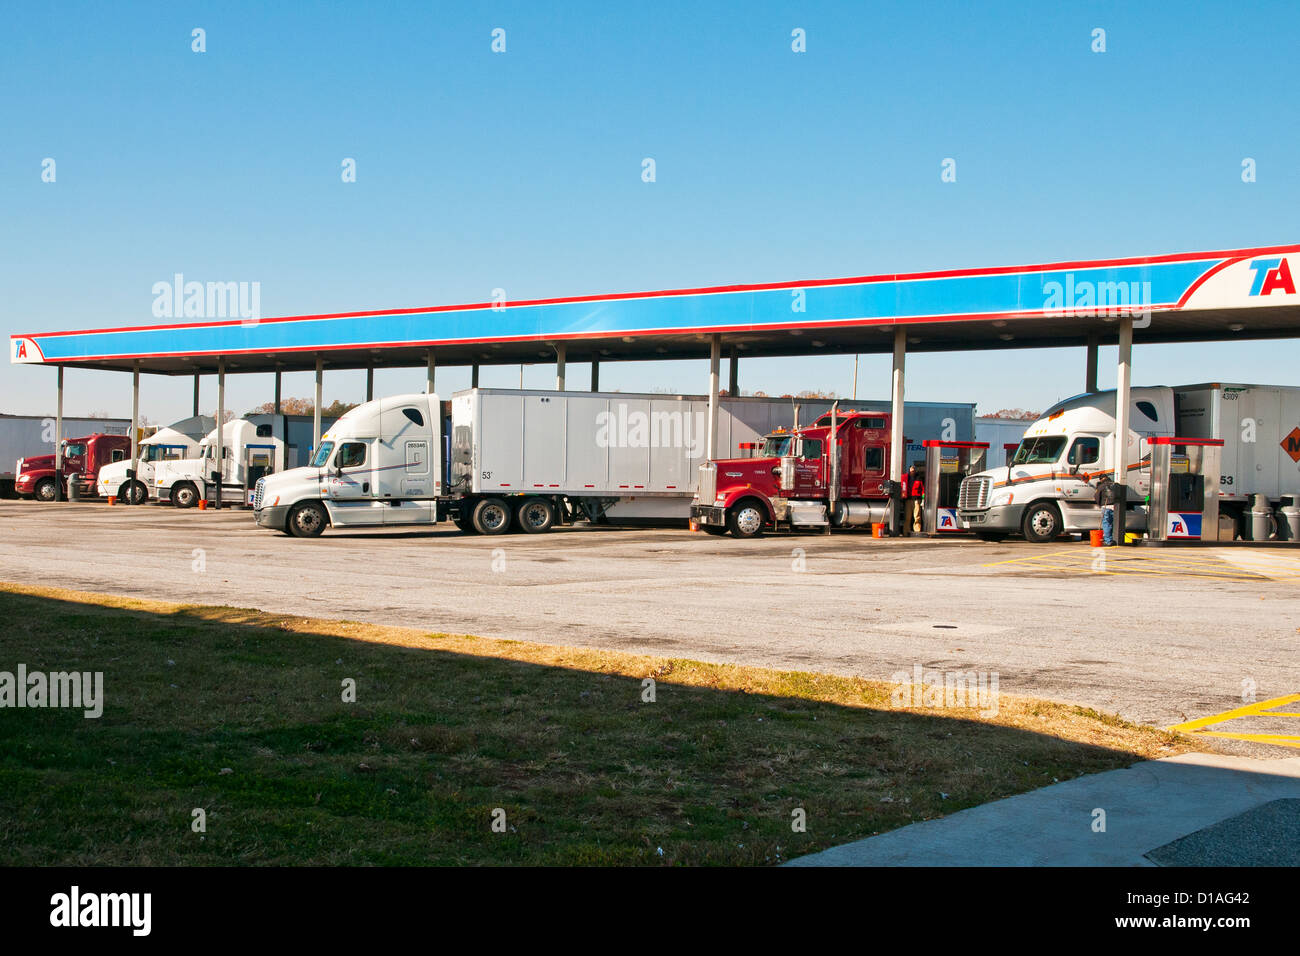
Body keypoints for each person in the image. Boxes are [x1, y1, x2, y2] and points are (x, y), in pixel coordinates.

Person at [1094, 474, 1118, 545]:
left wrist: (1099, 504)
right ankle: (1115, 539)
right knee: (1115, 524)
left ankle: (1108, 541)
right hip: (1115, 506)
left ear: (1101, 479)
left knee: (1106, 523)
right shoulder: (1115, 485)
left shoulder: (1101, 486)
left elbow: (1096, 496)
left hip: (1106, 506)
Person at [907, 465, 925, 535]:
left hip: (916, 500)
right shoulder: (906, 478)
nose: (912, 472)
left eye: (913, 470)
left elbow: (923, 489)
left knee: (917, 516)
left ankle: (917, 531)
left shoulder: (919, 479)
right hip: (908, 499)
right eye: (911, 470)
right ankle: (906, 532)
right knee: (907, 517)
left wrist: (923, 499)